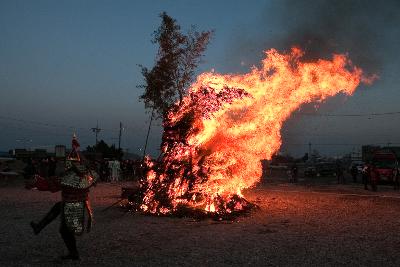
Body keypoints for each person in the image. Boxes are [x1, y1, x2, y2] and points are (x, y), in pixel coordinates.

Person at [28, 135, 97, 260]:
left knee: (65, 231)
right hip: (77, 204)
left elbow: (51, 185)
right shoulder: (86, 175)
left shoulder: (70, 177)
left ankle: (74, 254)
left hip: (72, 207)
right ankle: (39, 226)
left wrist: (35, 182)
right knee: (57, 207)